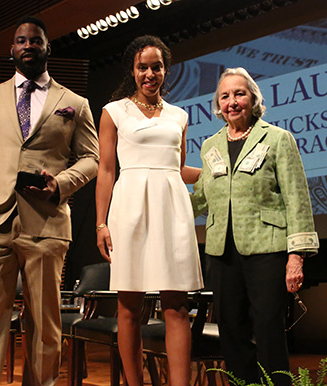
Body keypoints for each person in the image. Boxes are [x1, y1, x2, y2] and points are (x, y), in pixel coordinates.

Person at [0, 16, 99, 386]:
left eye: (35, 40)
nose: (28, 46)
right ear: (12, 49)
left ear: (46, 47)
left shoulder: (74, 102)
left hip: (47, 223)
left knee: (44, 323)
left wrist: (62, 183)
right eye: (21, 41)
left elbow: (93, 158)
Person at [191, 67, 318, 386]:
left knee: (268, 331)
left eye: (239, 94)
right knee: (231, 333)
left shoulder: (277, 139)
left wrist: (296, 255)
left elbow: (297, 197)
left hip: (268, 250)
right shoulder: (210, 146)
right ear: (218, 105)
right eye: (225, 96)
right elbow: (201, 198)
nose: (232, 102)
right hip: (222, 253)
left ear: (253, 99)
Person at [95, 35, 204, 386]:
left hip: (172, 209)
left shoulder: (179, 116)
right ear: (133, 69)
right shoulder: (114, 112)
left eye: (156, 67)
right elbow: (107, 170)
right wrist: (100, 222)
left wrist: (218, 174)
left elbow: (177, 168)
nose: (150, 73)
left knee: (177, 305)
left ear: (165, 71)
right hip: (130, 210)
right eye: (143, 67)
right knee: (130, 306)